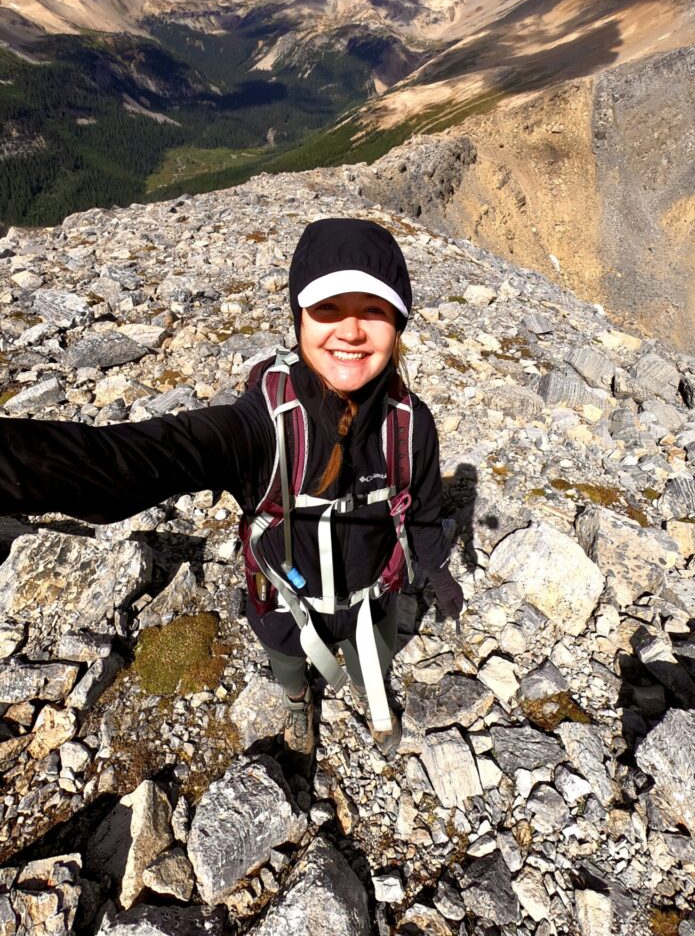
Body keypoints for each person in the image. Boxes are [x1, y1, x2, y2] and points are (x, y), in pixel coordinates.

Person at [0, 218, 464, 756]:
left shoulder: (411, 425)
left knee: (371, 663)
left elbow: (423, 511)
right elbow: (130, 459)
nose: (352, 331)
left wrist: (437, 571)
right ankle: (298, 704)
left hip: (373, 603)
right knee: (290, 667)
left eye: (374, 311)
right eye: (328, 309)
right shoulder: (264, 425)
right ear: (299, 319)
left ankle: (370, 692)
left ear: (398, 323)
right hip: (285, 606)